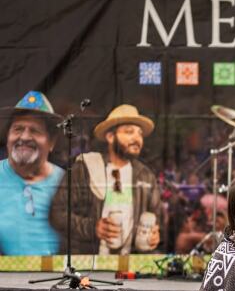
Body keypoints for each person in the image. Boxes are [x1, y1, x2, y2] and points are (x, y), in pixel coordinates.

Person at [49, 104, 162, 254]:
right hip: (89, 261)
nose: (137, 138)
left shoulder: (146, 175)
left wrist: (155, 234)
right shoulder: (85, 168)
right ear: (110, 137)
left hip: (129, 262)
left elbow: (157, 218)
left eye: (140, 133)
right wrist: (92, 228)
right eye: (129, 132)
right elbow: (57, 214)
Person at [0, 91, 63, 255]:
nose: (25, 137)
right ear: (7, 137)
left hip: (56, 271)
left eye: (35, 130)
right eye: (18, 129)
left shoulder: (66, 182)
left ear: (51, 142)